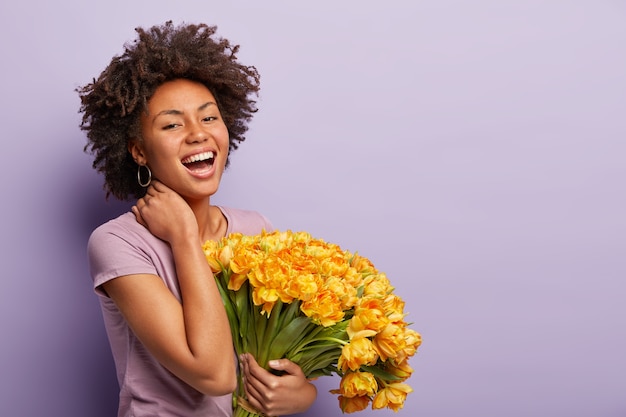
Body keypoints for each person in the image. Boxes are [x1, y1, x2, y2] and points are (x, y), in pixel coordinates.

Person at [77, 21, 317, 417]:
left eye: (209, 118)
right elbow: (215, 376)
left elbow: (286, 358)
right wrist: (185, 237)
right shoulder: (118, 243)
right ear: (138, 151)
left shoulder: (258, 229)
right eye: (172, 124)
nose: (197, 134)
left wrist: (302, 394)